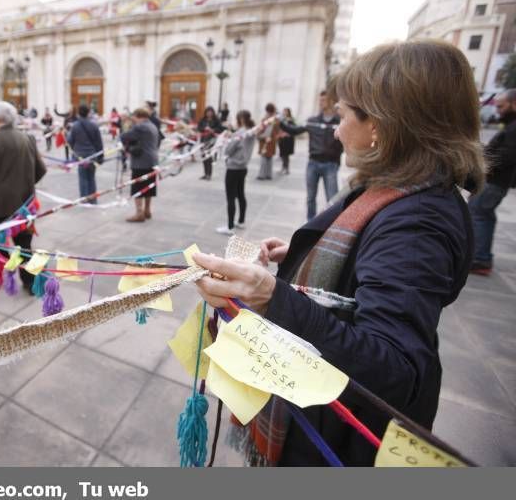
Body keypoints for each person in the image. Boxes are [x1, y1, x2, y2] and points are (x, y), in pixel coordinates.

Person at [192, 39, 483, 466]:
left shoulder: (418, 221)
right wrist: (306, 253)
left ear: (380, 125)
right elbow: (375, 259)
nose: (335, 128)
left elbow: (393, 371)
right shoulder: (402, 188)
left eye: (343, 115)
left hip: (339, 441)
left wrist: (273, 296)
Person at [0, 101, 47, 291]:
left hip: (0, 205)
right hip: (25, 205)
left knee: (2, 245)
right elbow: (41, 169)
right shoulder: (27, 138)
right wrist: (26, 184)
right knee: (25, 246)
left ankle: (8, 278)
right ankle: (32, 283)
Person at [468, 88, 516, 275]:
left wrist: (482, 164)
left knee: (479, 215)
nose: (498, 111)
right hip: (495, 181)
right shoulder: (511, 126)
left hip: (495, 182)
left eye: (502, 106)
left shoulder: (514, 129)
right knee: (483, 216)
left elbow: (505, 157)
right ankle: (481, 256)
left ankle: (480, 259)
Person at [286, 91, 343, 219]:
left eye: (323, 100)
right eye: (320, 100)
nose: (320, 102)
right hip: (313, 163)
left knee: (332, 199)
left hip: (331, 164)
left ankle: (331, 224)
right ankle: (310, 223)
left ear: (331, 102)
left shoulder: (339, 121)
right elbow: (294, 130)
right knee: (310, 198)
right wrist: (281, 123)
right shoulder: (313, 121)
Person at [217, 110, 268, 235]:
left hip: (233, 168)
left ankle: (230, 226)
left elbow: (228, 150)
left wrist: (228, 140)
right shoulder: (251, 132)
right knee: (240, 194)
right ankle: (241, 221)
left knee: (231, 197)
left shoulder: (241, 133)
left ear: (241, 119)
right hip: (243, 168)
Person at [121, 108, 160, 222]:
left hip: (141, 162)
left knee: (137, 188)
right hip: (152, 160)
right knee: (148, 187)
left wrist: (126, 124)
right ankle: (147, 210)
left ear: (138, 116)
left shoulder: (140, 127)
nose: (132, 118)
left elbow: (124, 137)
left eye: (133, 116)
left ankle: (139, 213)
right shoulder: (152, 126)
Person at [67, 104, 104, 203]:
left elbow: (70, 141)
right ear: (88, 112)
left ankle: (84, 199)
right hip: (92, 154)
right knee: (91, 177)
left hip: (80, 156)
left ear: (79, 113)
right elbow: (99, 143)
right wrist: (101, 157)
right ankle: (92, 199)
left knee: (83, 177)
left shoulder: (75, 126)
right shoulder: (94, 125)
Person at [197, 106, 225, 180]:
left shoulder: (216, 120)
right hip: (203, 140)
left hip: (212, 140)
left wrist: (212, 130)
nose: (209, 114)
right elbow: (199, 128)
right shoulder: (203, 120)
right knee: (204, 157)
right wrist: (204, 129)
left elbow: (220, 129)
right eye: (207, 112)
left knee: (209, 157)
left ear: (213, 113)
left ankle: (209, 174)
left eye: (210, 112)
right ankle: (205, 173)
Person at [256, 103, 279, 180]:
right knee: (269, 158)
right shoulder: (276, 119)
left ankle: (262, 175)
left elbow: (261, 129)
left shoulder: (266, 119)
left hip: (265, 140)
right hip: (272, 140)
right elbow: (277, 130)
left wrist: (258, 135)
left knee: (264, 157)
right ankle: (269, 174)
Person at [278, 107, 296, 175]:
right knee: (282, 154)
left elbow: (293, 129)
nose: (284, 112)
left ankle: (287, 168)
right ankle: (283, 167)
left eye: (286, 111)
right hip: (282, 140)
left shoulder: (291, 120)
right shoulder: (282, 120)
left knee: (286, 155)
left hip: (288, 140)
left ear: (288, 112)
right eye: (283, 111)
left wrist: (285, 134)